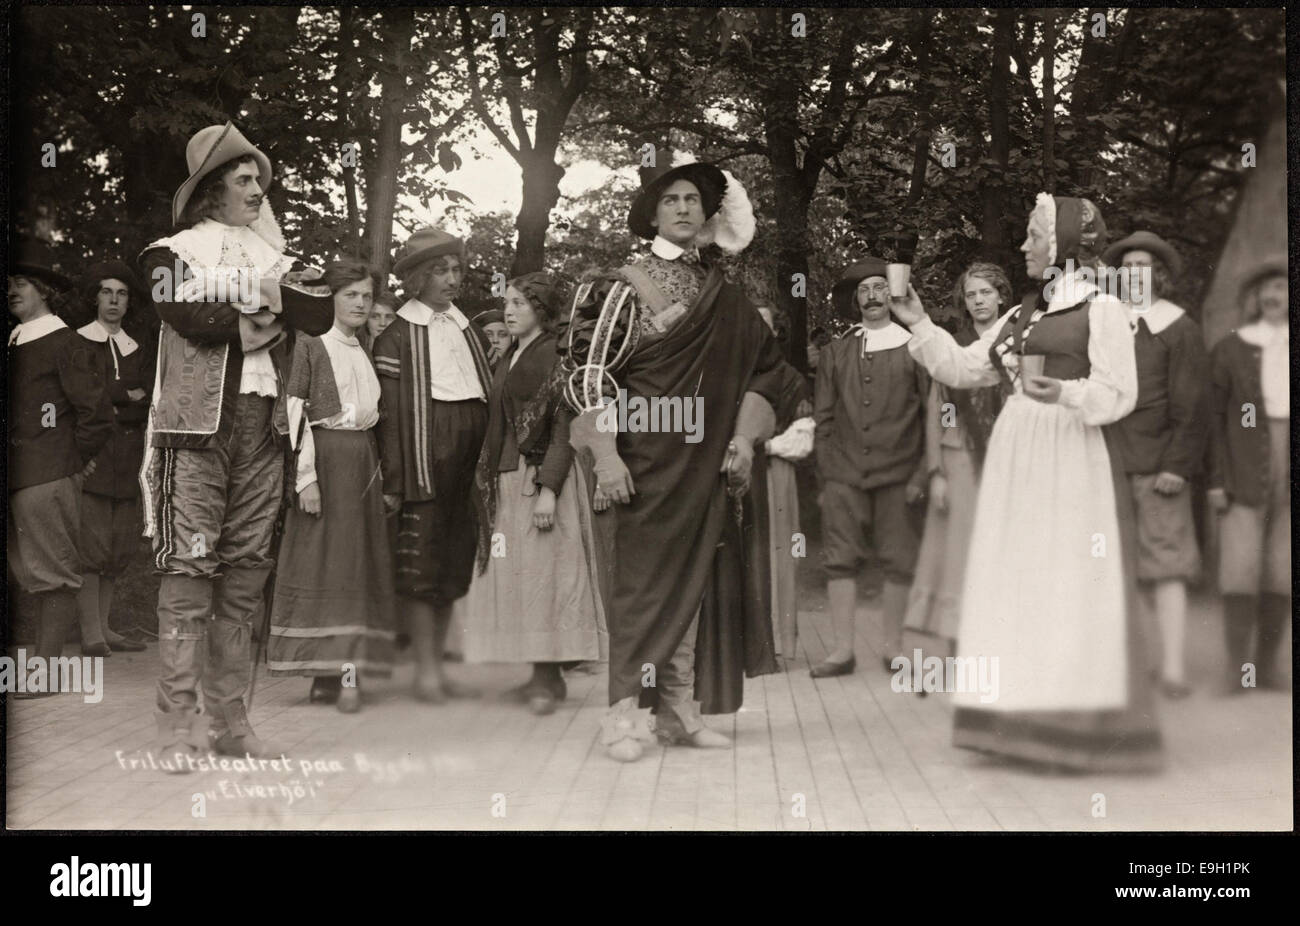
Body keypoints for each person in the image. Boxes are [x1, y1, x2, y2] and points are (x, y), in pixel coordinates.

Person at [892, 193, 1162, 772]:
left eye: (1034, 237)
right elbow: (965, 369)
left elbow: (1120, 393)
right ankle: (1013, 723)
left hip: (1070, 455)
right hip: (1017, 456)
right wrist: (918, 321)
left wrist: (1065, 392)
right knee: (1014, 583)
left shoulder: (1101, 309)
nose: (1024, 246)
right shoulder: (1023, 315)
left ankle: (1071, 729)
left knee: (1065, 582)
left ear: (1062, 245)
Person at [563, 149, 782, 762]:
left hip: (707, 464)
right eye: (671, 200)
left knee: (697, 585)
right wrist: (606, 457)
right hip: (644, 461)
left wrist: (743, 438)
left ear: (708, 213)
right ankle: (623, 719)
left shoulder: (726, 293)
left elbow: (769, 372)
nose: (684, 208)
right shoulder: (619, 285)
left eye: (692, 199)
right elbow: (585, 374)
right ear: (651, 215)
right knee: (642, 591)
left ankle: (679, 712)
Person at [139, 122, 334, 770]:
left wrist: (252, 297)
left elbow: (321, 311)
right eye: (245, 178)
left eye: (259, 179)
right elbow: (182, 313)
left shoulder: (268, 252)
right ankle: (176, 730)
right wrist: (266, 301)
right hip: (196, 431)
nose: (258, 189)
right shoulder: (170, 251)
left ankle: (231, 724)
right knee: (190, 578)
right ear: (211, 188)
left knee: (246, 579)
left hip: (265, 429)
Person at [463, 272, 607, 714]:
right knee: (522, 579)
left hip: (542, 477)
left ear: (542, 311)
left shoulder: (555, 356)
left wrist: (548, 489)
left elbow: (565, 426)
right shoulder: (513, 354)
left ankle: (550, 679)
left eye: (520, 304)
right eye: (507, 303)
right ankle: (535, 674)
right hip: (512, 475)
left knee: (549, 577)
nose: (509, 311)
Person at [267, 261, 396, 713]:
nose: (361, 303)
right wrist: (307, 480)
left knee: (355, 566)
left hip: (362, 461)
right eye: (350, 295)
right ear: (332, 300)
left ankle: (349, 669)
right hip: (325, 460)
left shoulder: (366, 349)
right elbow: (295, 415)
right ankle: (326, 676)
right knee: (324, 565)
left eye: (366, 296)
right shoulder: (311, 346)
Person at [373, 227, 492, 703]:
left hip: (470, 452)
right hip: (427, 452)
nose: (451, 279)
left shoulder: (469, 330)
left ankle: (439, 668)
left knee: (453, 561)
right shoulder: (397, 336)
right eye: (440, 270)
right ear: (419, 277)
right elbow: (391, 417)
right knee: (421, 562)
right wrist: (398, 477)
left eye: (456, 269)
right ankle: (423, 671)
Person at [810, 257, 929, 679]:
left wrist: (921, 474)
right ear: (855, 300)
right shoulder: (836, 351)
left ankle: (894, 647)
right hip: (843, 475)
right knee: (839, 559)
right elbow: (823, 419)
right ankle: (842, 650)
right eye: (864, 290)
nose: (873, 295)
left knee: (899, 559)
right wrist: (827, 472)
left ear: (892, 295)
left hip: (899, 473)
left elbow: (933, 415)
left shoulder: (917, 346)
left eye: (880, 287)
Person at [1102, 231, 1208, 699]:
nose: (1133, 274)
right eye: (1126, 267)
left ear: (1158, 274)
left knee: (1166, 565)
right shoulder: (1106, 322)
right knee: (1123, 566)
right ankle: (1140, 663)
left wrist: (1177, 465)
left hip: (1160, 464)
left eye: (1143, 266)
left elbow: (1192, 406)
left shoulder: (1179, 327)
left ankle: (1172, 669)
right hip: (1110, 461)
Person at [7, 239, 114, 697]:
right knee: (28, 573)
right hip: (20, 475)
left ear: (45, 291)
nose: (11, 291)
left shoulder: (64, 342)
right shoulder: (16, 341)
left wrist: (74, 462)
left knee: (53, 574)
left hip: (46, 475)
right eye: (8, 284)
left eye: (21, 284)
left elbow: (97, 414)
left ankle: (46, 674)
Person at [903, 263, 1009, 665]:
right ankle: (957, 647)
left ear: (1001, 295)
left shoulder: (1015, 339)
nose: (979, 300)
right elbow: (940, 410)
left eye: (986, 292)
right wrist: (937, 471)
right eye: (971, 294)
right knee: (958, 551)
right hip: (960, 456)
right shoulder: (954, 343)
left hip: (1005, 458)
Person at [1207, 255, 1289, 693]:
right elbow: (1216, 420)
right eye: (1268, 289)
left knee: (1282, 567)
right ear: (1256, 298)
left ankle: (1269, 669)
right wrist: (1217, 479)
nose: (1276, 296)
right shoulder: (1232, 347)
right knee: (1240, 568)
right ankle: (1240, 672)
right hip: (1243, 458)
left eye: (1283, 288)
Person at [74, 261, 153, 656]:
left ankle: (105, 628)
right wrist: (125, 396)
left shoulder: (135, 347)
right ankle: (91, 634)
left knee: (118, 546)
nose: (114, 300)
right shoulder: (78, 343)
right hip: (94, 457)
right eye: (107, 292)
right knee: (91, 544)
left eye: (121, 294)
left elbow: (146, 400)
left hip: (130, 459)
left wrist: (116, 397)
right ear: (95, 297)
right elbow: (87, 401)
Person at [756, 306, 814, 659]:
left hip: (774, 471)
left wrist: (760, 447)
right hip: (729, 471)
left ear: (776, 331)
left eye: (763, 324)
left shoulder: (790, 378)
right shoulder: (724, 370)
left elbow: (803, 439)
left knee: (780, 551)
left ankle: (776, 641)